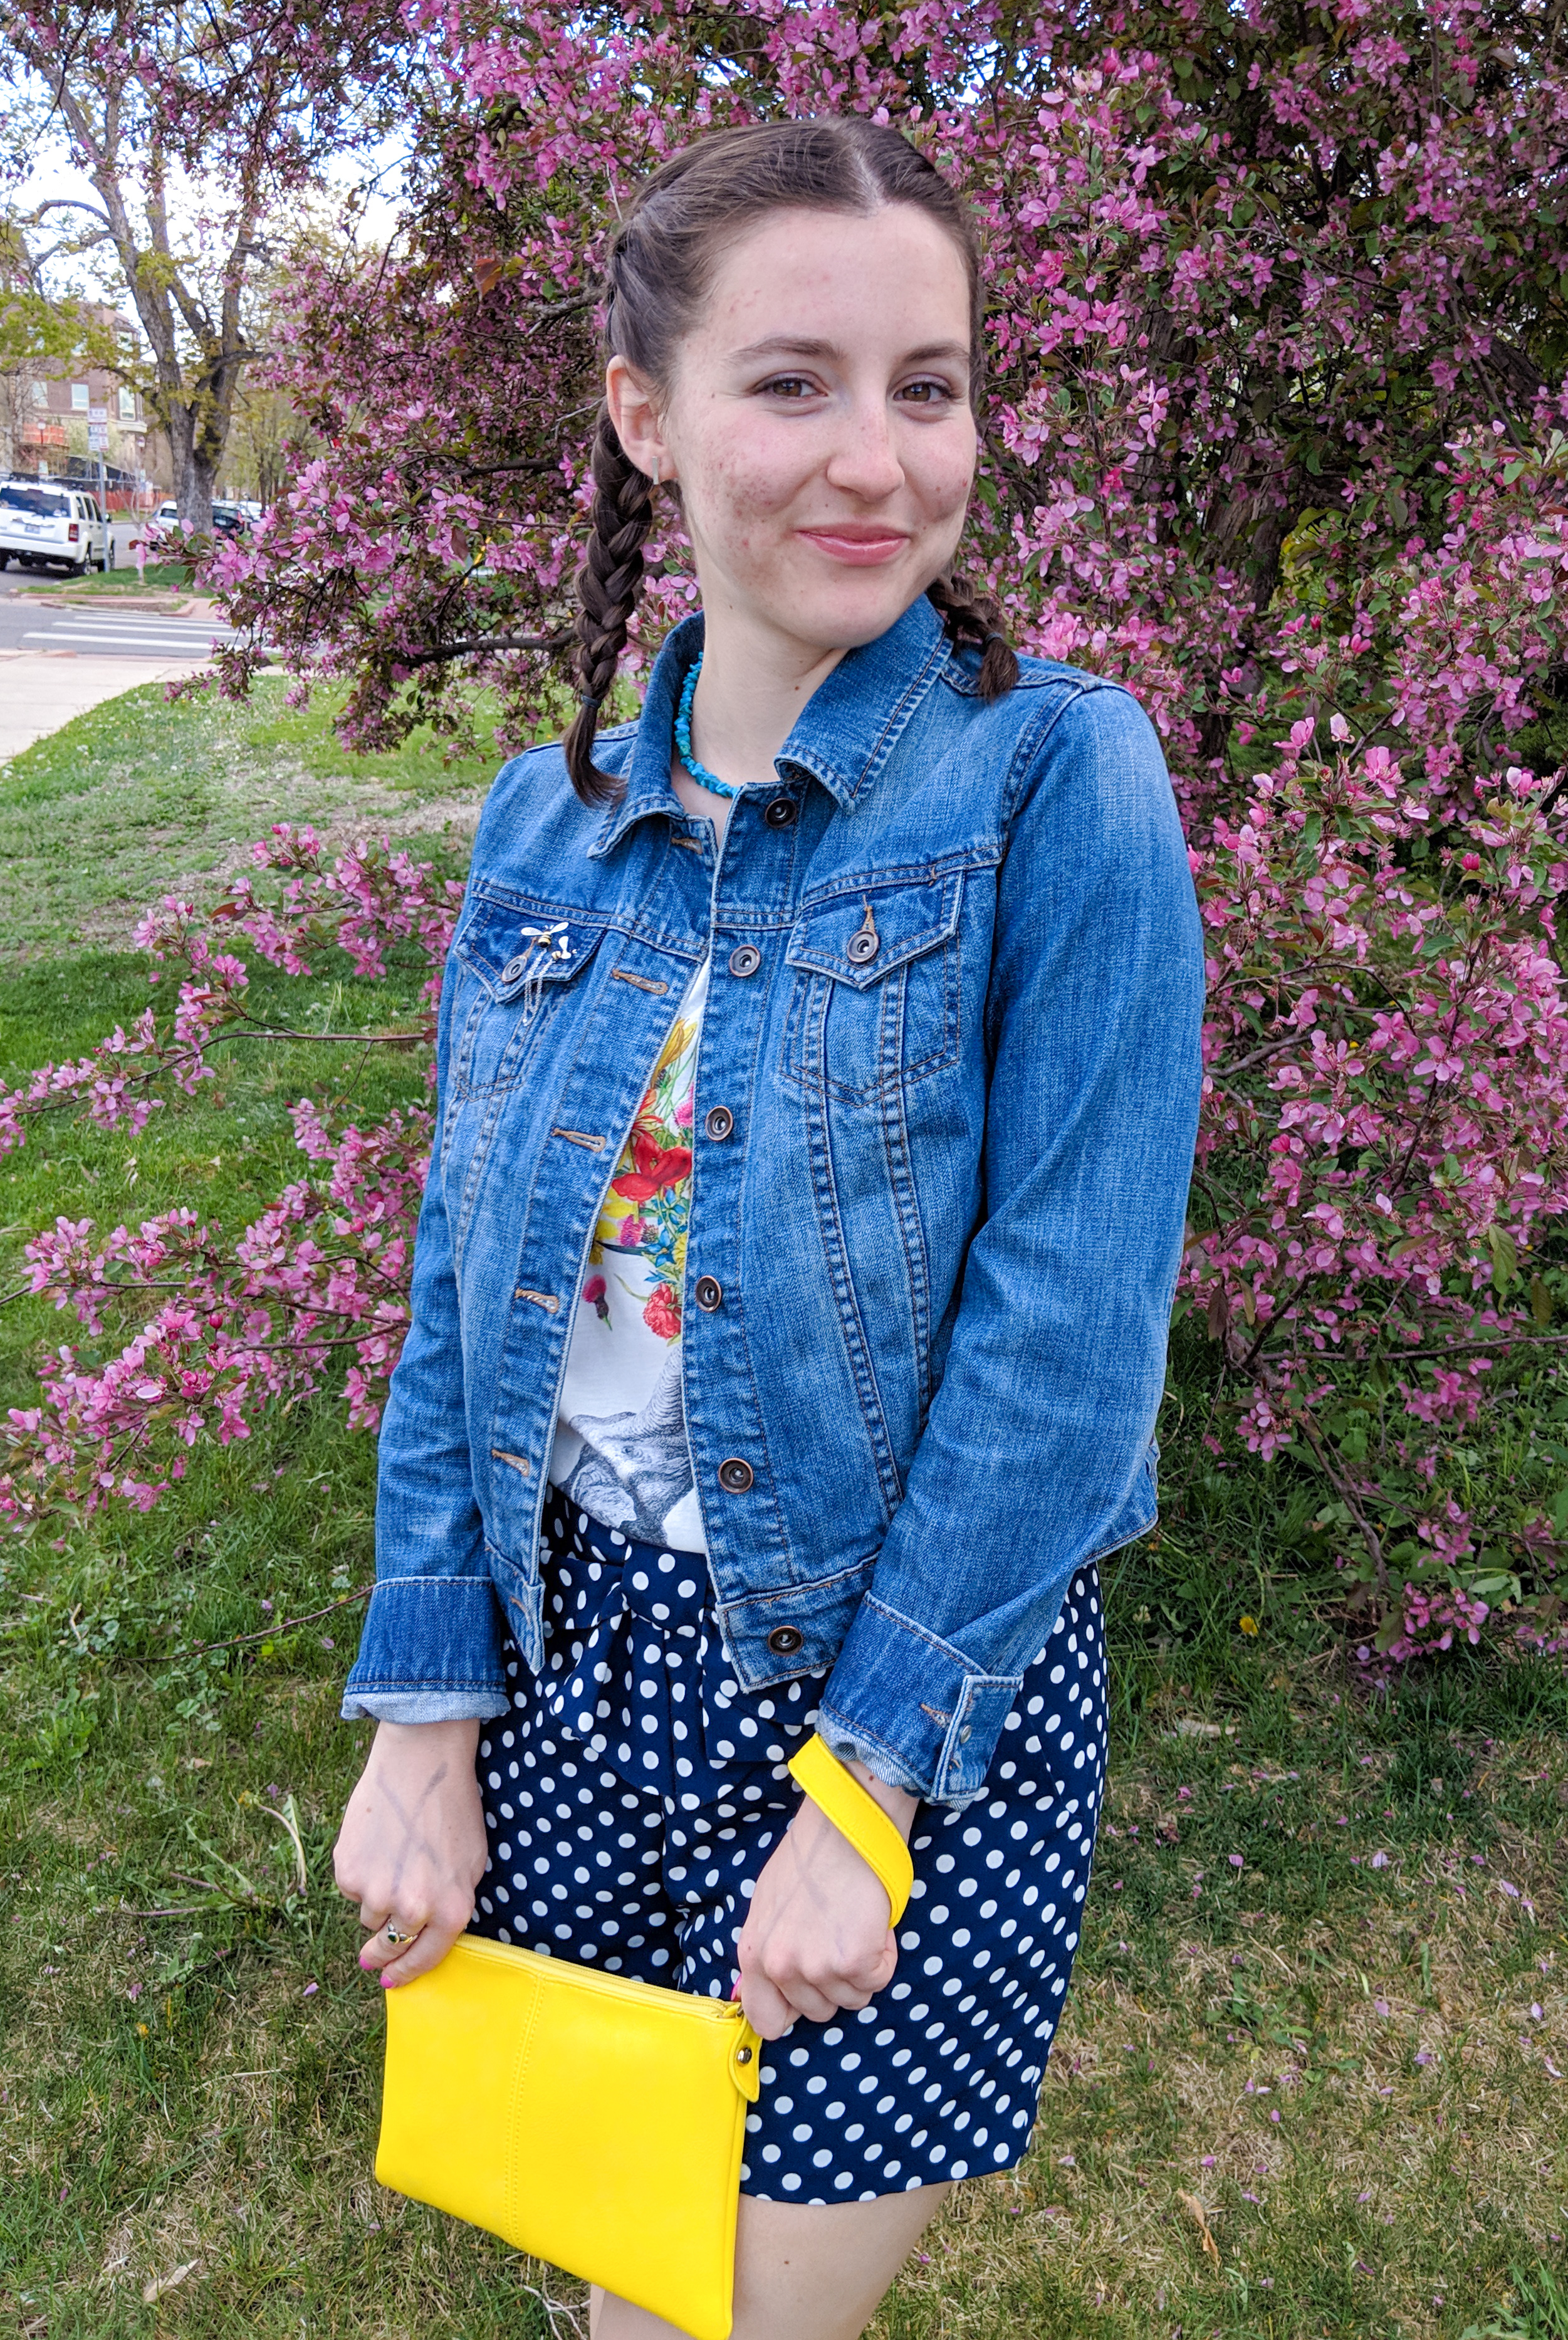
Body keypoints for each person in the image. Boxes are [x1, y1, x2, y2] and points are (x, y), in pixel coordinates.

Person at [332, 115, 1203, 2340]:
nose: (878, 460)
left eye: (930, 387)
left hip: (897, 1686)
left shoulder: (1054, 782)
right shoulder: (551, 823)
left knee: (700, 2328)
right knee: (594, 2239)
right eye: (793, 382)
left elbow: (1065, 1344)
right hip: (571, 1682)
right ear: (647, 413)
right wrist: (422, 1716)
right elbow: (458, 1291)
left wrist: (872, 1785)